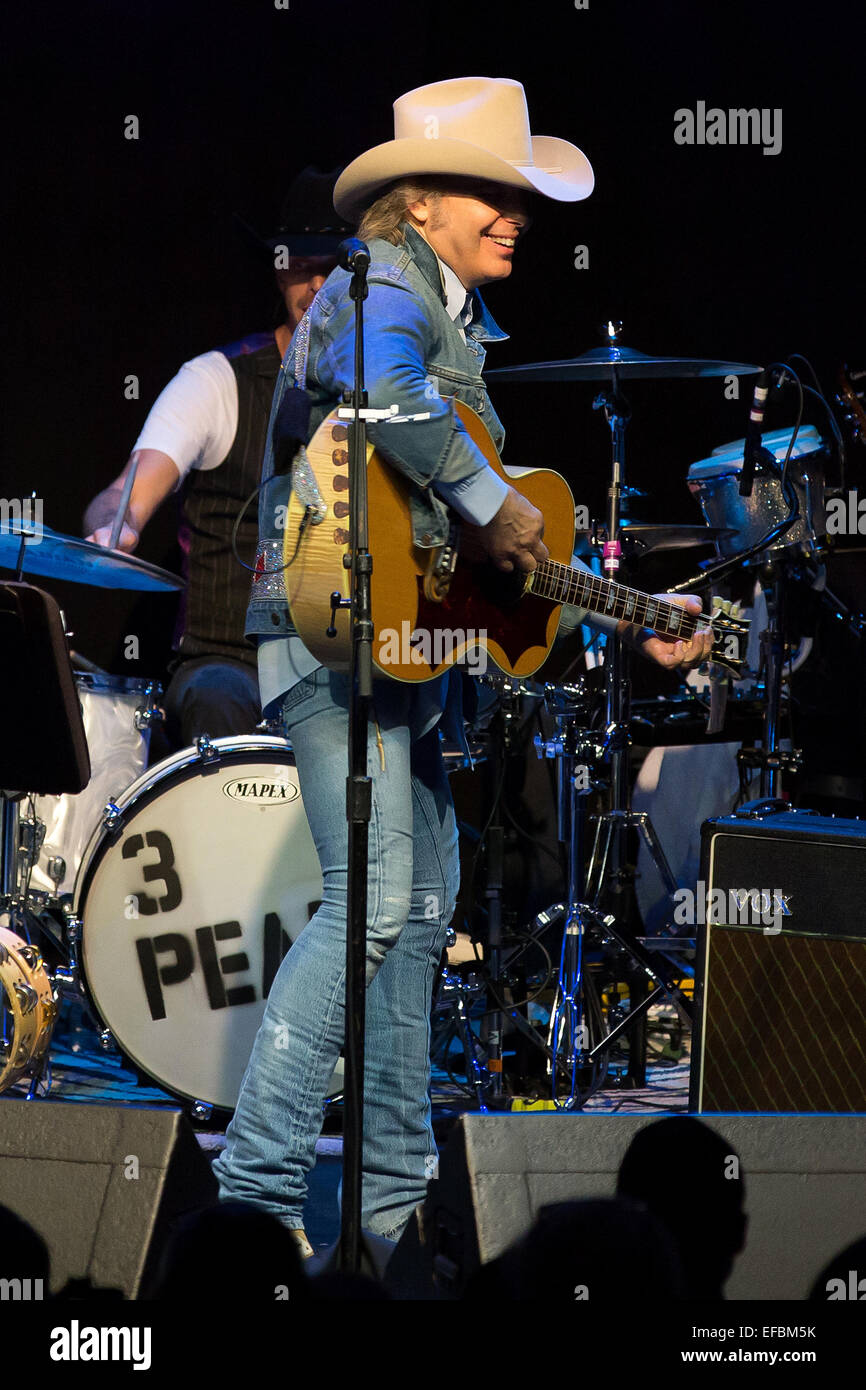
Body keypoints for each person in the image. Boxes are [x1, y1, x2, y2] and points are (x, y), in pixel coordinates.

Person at [213, 77, 714, 1256]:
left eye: (519, 196)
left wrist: (621, 620)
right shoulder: (384, 281)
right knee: (380, 898)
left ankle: (386, 1214)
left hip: (405, 656)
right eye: (492, 190)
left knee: (422, 903)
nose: (515, 214)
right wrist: (492, 503)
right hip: (331, 643)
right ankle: (250, 1192)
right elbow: (392, 409)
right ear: (420, 199)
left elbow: (486, 558)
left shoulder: (449, 311)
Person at [83, 168, 348, 747]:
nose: (315, 285)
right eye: (299, 265)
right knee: (220, 698)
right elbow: (133, 485)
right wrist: (118, 522)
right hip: (230, 666)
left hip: (340, 670)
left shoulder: (382, 395)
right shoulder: (216, 381)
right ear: (278, 271)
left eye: (333, 269)